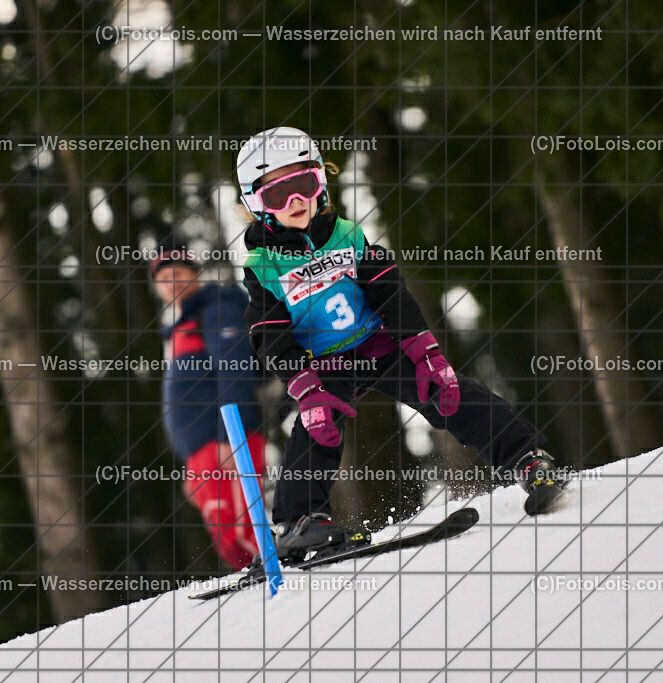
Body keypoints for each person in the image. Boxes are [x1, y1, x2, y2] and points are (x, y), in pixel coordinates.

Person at [235, 126, 556, 564]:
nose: (298, 203)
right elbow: (269, 332)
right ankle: (300, 521)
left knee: (449, 393)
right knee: (316, 424)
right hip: (323, 367)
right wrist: (303, 384)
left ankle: (527, 458)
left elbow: (389, 291)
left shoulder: (348, 237)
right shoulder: (263, 267)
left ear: (321, 182)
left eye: (305, 186)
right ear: (257, 204)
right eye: (280, 195)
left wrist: (424, 351)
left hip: (375, 346)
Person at [150, 237, 266, 570]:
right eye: (162, 279)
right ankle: (268, 604)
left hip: (227, 440)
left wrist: (233, 438)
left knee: (244, 533)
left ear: (195, 274)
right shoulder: (176, 329)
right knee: (228, 541)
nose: (171, 283)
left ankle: (291, 579)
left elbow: (235, 369)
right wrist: (189, 463)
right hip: (200, 453)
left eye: (177, 273)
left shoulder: (217, 306)